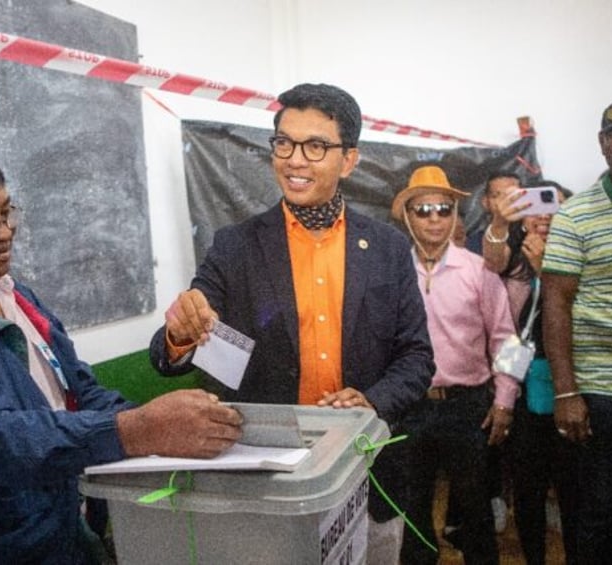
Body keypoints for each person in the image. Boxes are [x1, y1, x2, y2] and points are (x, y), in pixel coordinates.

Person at [0, 137, 244, 564]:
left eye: (5, 211)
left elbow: (79, 392)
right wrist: (137, 430)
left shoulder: (16, 297)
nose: (4, 231)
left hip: (57, 534)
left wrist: (170, 426)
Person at [149, 83, 435, 563]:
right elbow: (170, 351)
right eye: (284, 142)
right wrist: (182, 333)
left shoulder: (386, 248)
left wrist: (371, 401)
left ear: (348, 160)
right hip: (269, 473)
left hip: (369, 469)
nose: (295, 160)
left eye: (315, 146)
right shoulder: (236, 246)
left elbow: (417, 357)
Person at [542, 92, 612, 564]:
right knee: (598, 517)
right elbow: (556, 302)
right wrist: (567, 393)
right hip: (604, 393)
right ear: (602, 144)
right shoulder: (576, 215)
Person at [387, 165, 518, 565]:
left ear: (456, 215)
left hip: (468, 408)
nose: (434, 218)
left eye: (443, 208)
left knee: (475, 510)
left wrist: (505, 401)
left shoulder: (480, 270)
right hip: (409, 408)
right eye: (423, 209)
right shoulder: (391, 273)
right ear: (407, 215)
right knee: (410, 512)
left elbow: (508, 339)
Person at [486, 181, 579, 564]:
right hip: (520, 383)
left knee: (575, 486)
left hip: (571, 384)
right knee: (527, 486)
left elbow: (583, 315)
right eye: (534, 205)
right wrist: (498, 223)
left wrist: (549, 268)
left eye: (551, 205)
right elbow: (492, 262)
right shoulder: (514, 258)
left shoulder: (581, 256)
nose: (542, 214)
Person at [465, 171, 523, 254]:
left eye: (512, 195)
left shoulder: (538, 232)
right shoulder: (474, 244)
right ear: (485, 202)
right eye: (496, 195)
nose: (505, 201)